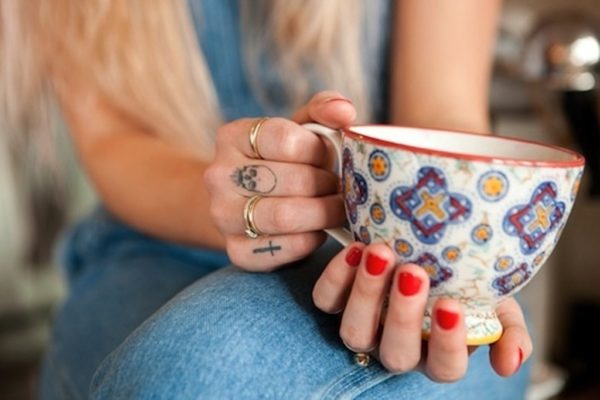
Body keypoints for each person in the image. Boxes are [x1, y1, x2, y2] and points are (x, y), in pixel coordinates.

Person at [1, 0, 533, 398]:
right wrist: (242, 206)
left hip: (376, 260)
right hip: (154, 242)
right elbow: (113, 142)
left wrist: (453, 255)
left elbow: (442, 113)